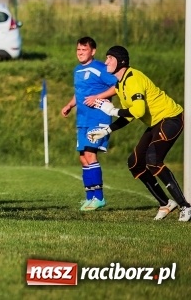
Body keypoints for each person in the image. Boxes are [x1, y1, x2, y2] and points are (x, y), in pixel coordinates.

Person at [89, 46, 191, 221]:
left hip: (171, 118)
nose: (105, 62)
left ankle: (185, 206)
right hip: (155, 122)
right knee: (134, 163)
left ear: (120, 61)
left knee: (153, 160)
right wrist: (107, 129)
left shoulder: (133, 79)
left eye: (109, 58)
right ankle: (166, 203)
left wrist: (112, 111)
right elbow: (131, 114)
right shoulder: (120, 84)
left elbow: (137, 110)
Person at [60, 37, 117, 211]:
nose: (80, 53)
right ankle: (90, 198)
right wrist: (70, 105)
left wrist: (98, 97)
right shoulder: (77, 70)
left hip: (98, 118)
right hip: (83, 119)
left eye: (84, 50)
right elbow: (80, 94)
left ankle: (99, 198)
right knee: (83, 157)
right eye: (78, 50)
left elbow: (117, 86)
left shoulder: (100, 68)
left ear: (93, 51)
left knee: (91, 154)